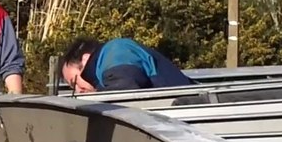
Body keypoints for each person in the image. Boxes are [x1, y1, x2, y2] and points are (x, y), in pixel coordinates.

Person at [59, 37, 194, 92]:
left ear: (85, 60)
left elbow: (123, 90)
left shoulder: (116, 51)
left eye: (75, 82)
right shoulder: (108, 60)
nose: (78, 90)